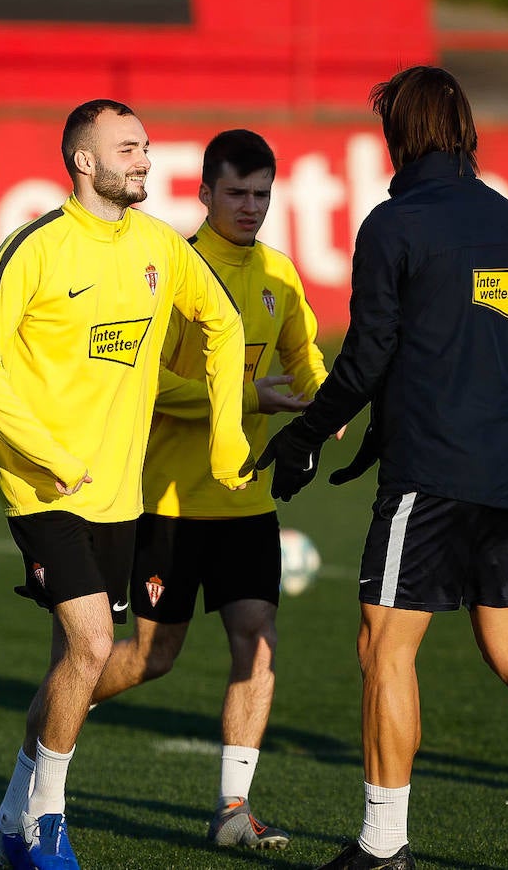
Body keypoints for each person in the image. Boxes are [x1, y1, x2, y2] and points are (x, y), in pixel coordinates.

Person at [256, 66, 508, 870]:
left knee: (384, 647)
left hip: (435, 474)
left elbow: (371, 352)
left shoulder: (392, 225)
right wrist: (385, 418)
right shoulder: (507, 221)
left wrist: (306, 435)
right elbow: (461, 343)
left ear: (399, 136)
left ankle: (384, 845)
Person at [0, 99, 253, 870]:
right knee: (93, 645)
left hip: (121, 497)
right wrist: (45, 452)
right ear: (85, 162)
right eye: (129, 147)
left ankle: (7, 821)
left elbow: (222, 325)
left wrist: (227, 439)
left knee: (72, 670)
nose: (147, 159)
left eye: (147, 145)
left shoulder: (161, 246)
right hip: (44, 490)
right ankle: (47, 825)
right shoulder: (37, 247)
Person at [87, 129, 329, 851]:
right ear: (204, 194)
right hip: (168, 504)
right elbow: (147, 382)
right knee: (152, 657)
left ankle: (232, 809)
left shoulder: (280, 276)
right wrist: (247, 397)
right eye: (237, 194)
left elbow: (306, 361)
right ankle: (58, 711)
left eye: (262, 194)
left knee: (257, 644)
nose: (251, 207)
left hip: (245, 501)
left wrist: (332, 408)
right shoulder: (173, 272)